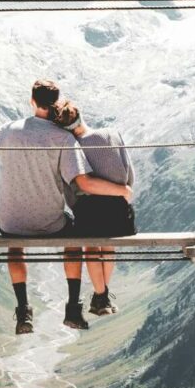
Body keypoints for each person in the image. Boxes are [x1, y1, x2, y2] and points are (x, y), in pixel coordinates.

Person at [0, 79, 133, 336]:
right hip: (50, 222)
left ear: (31, 100)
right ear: (56, 102)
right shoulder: (62, 138)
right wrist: (122, 191)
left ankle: (23, 310)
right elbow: (83, 182)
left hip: (10, 220)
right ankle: (72, 308)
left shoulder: (10, 129)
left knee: (14, 244)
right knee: (75, 238)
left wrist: (7, 151)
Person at [52, 100, 135, 317]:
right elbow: (130, 176)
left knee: (91, 246)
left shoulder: (72, 147)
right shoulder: (112, 134)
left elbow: (74, 188)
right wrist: (121, 192)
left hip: (90, 213)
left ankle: (101, 296)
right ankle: (102, 297)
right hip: (120, 214)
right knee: (108, 246)